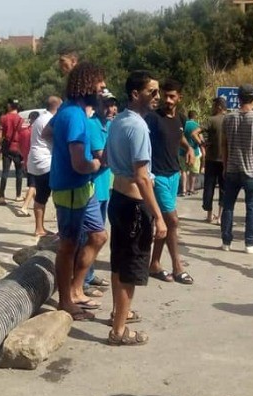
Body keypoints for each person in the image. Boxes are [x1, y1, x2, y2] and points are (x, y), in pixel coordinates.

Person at [105, 70, 167, 346]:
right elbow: (142, 176)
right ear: (135, 94)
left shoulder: (118, 121)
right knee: (130, 267)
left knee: (119, 262)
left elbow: (106, 157)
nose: (158, 97)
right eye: (152, 92)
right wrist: (158, 216)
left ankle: (120, 313)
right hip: (133, 204)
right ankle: (119, 331)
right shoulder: (139, 127)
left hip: (117, 198)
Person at [49, 62, 108, 321]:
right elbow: (79, 163)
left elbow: (48, 131)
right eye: (100, 84)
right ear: (86, 84)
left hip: (84, 187)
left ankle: (76, 288)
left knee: (98, 236)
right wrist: (99, 163)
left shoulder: (73, 112)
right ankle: (64, 301)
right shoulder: (73, 115)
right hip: (71, 188)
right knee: (68, 246)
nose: (103, 88)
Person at [145, 78, 194, 285]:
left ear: (179, 98)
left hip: (174, 173)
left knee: (165, 222)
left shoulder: (180, 119)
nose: (168, 100)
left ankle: (154, 263)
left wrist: (189, 148)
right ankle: (177, 266)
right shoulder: (153, 118)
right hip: (158, 176)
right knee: (172, 221)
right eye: (165, 95)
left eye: (172, 96)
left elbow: (179, 136)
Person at [220, 84, 253, 254]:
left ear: (238, 98)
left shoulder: (228, 118)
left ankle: (226, 241)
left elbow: (223, 145)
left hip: (232, 168)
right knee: (251, 207)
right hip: (251, 170)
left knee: (228, 206)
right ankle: (250, 242)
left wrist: (225, 166)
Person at [83, 89, 114, 295]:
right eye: (106, 104)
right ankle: (83, 281)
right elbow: (103, 158)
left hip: (105, 188)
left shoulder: (110, 125)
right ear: (98, 106)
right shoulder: (93, 125)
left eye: (113, 104)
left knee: (98, 234)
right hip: (92, 188)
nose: (111, 108)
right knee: (91, 236)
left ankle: (90, 275)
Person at [28, 96, 61, 237]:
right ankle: (60, 229)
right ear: (58, 107)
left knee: (40, 195)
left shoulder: (40, 119)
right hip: (46, 161)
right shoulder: (49, 120)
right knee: (58, 195)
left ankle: (39, 228)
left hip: (35, 160)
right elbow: (57, 138)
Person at [202, 97, 227, 224]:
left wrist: (204, 143)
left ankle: (209, 215)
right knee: (224, 188)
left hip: (211, 159)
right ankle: (221, 217)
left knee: (209, 187)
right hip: (225, 160)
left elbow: (195, 133)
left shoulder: (211, 120)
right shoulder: (230, 120)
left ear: (218, 107)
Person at [0, 98, 24, 205]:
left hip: (7, 147)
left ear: (9, 106)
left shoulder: (3, 118)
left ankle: (2, 197)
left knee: (5, 172)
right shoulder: (21, 119)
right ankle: (18, 195)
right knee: (19, 173)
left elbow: (0, 135)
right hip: (18, 148)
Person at [18, 110, 39, 217]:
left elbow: (20, 147)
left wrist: (23, 159)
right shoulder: (34, 132)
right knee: (33, 185)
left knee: (33, 184)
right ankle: (25, 206)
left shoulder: (23, 132)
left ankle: (37, 203)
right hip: (34, 161)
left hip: (26, 159)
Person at [181, 110, 204, 196]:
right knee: (193, 171)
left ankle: (183, 190)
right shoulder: (197, 126)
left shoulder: (184, 125)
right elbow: (200, 139)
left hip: (182, 151)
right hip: (194, 152)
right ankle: (191, 189)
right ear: (195, 117)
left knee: (184, 171)